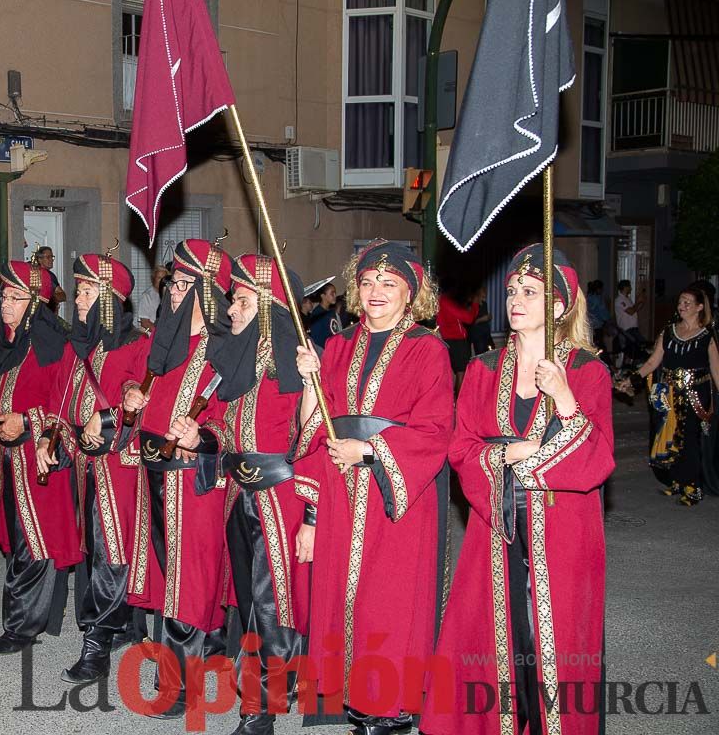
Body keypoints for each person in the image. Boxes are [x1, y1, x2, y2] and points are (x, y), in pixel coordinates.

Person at [423, 245, 614, 735]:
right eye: (511, 291)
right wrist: (510, 453)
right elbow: (462, 448)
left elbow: (598, 458)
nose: (516, 299)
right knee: (496, 641)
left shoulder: (586, 370)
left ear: (557, 306)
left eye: (530, 292)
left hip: (565, 531)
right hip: (498, 527)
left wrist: (566, 400)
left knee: (555, 643)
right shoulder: (485, 369)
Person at [294, 239, 453, 733]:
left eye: (388, 283)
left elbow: (434, 432)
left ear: (412, 292)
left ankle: (385, 715)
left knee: (388, 608)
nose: (375, 290)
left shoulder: (428, 350)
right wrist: (308, 382)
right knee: (347, 605)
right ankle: (359, 707)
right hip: (342, 496)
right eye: (366, 282)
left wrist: (368, 450)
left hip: (398, 502)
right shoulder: (338, 346)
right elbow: (315, 432)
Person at [121, 238, 233, 720]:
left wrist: (203, 433)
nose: (175, 290)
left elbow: (234, 415)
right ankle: (199, 658)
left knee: (190, 578)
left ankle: (178, 684)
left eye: (187, 282)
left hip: (194, 477)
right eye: (174, 280)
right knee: (168, 572)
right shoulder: (161, 339)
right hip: (154, 471)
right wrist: (130, 393)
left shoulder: (224, 347)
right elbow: (136, 386)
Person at [216, 254, 322, 735]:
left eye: (240, 300)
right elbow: (229, 425)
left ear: (266, 306)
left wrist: (312, 516)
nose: (231, 310)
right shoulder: (239, 356)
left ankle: (262, 707)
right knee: (247, 598)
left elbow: (317, 438)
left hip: (280, 495)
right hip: (239, 494)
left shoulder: (298, 361)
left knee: (273, 603)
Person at [38, 253, 147, 684]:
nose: (77, 299)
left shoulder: (137, 344)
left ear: (108, 299)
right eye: (78, 290)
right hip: (84, 469)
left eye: (86, 292)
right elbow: (59, 405)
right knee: (95, 552)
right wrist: (51, 439)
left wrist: (114, 413)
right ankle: (123, 625)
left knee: (113, 552)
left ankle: (97, 645)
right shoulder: (75, 348)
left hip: (120, 468)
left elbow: (137, 400)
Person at [0, 260, 79, 655]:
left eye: (15, 296)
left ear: (34, 303)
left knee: (37, 542)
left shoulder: (54, 346)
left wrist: (27, 422)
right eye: (4, 295)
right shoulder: (4, 340)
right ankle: (35, 616)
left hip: (40, 458)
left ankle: (20, 625)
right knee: (20, 539)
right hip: (6, 460)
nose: (5, 303)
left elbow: (66, 405)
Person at [629, 285, 719, 505]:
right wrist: (631, 379)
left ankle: (693, 486)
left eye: (687, 302)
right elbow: (653, 361)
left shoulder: (707, 336)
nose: (682, 306)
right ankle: (678, 481)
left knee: (690, 438)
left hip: (695, 395)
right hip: (668, 393)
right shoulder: (669, 331)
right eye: (680, 302)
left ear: (699, 307)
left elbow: (716, 371)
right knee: (671, 439)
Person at [437, 284, 479, 389]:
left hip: (452, 338)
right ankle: (459, 403)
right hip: (455, 339)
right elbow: (468, 318)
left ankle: (456, 402)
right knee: (462, 373)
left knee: (458, 373)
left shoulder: (445, 299)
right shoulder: (447, 300)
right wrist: (475, 304)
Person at [614, 278, 644, 369]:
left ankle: (629, 367)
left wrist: (641, 303)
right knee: (633, 348)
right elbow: (630, 311)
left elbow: (634, 310)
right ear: (625, 287)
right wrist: (638, 302)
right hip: (626, 328)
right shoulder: (620, 300)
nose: (631, 289)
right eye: (629, 287)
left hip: (633, 327)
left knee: (632, 350)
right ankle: (629, 367)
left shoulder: (627, 299)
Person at [33, 246, 67, 315]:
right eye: (48, 257)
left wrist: (51, 299)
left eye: (52, 257)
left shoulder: (50, 276)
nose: (51, 260)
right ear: (40, 259)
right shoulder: (33, 273)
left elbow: (63, 295)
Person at [137, 264, 171, 333]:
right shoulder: (146, 296)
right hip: (152, 335)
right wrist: (159, 334)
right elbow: (145, 322)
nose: (161, 280)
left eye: (163, 278)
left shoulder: (171, 294)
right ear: (153, 278)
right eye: (159, 277)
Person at [308, 280, 340, 351]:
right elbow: (317, 339)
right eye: (332, 293)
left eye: (335, 293)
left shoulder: (331, 312)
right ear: (323, 296)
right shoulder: (317, 314)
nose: (335, 296)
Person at [467, 285, 492, 355]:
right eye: (483, 292)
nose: (485, 293)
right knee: (480, 354)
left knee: (488, 353)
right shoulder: (471, 305)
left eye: (485, 291)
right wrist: (482, 319)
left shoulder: (484, 304)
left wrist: (488, 317)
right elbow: (470, 320)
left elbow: (486, 317)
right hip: (477, 334)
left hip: (486, 333)